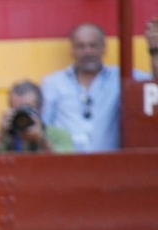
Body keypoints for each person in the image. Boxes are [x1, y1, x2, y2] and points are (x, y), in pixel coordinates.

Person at [41, 23, 128, 152]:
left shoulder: (120, 77)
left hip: (111, 165)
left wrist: (154, 50)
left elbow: (153, 83)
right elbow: (44, 127)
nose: (87, 52)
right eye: (81, 46)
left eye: (93, 45)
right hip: (66, 166)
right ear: (72, 50)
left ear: (104, 48)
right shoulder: (53, 83)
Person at [0, 80, 74, 154]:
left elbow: (68, 165)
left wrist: (42, 140)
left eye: (28, 110)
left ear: (40, 108)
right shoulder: (0, 134)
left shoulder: (58, 134)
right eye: (16, 110)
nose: (22, 116)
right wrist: (1, 135)